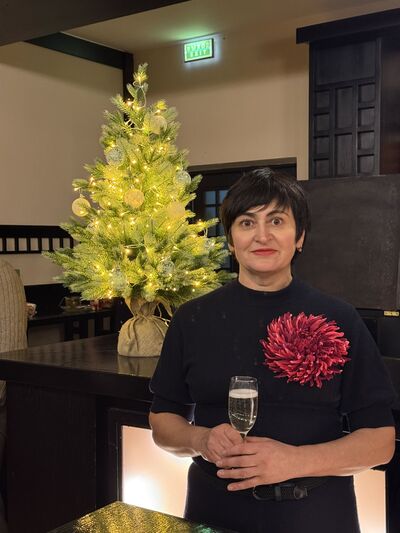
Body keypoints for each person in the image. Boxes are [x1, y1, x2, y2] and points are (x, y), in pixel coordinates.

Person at [149, 168, 396, 533]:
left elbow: (380, 442)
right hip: (213, 510)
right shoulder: (192, 318)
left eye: (276, 221)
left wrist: (293, 461)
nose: (261, 235)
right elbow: (163, 421)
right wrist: (200, 439)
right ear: (231, 240)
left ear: (300, 236)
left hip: (317, 514)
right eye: (247, 223)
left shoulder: (339, 318)